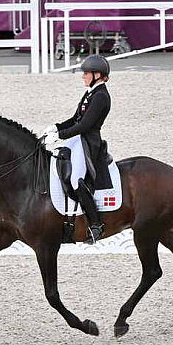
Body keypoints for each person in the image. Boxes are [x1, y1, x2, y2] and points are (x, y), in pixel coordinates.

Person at [41, 54, 112, 244]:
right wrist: (56, 127)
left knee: (75, 180)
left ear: (98, 74)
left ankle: (95, 225)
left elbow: (85, 126)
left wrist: (60, 136)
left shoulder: (101, 96)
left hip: (88, 142)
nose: (83, 77)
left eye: (86, 73)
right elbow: (75, 119)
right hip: (78, 139)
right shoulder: (90, 93)